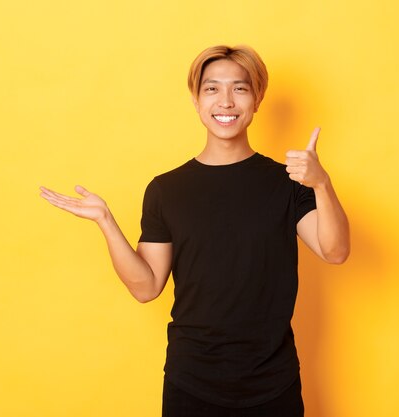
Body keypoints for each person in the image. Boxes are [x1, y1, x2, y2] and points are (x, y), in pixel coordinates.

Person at [40, 45, 350, 417]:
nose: (226, 101)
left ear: (257, 100)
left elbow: (335, 251)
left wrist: (321, 184)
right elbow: (146, 286)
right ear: (195, 99)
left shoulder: (288, 183)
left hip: (273, 381)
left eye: (240, 88)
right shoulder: (166, 190)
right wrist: (106, 222)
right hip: (192, 382)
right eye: (212, 88)